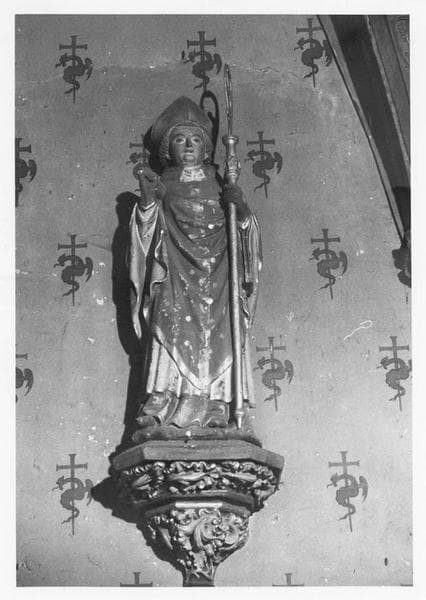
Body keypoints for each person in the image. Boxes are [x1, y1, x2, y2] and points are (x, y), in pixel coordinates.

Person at [128, 96, 261, 436]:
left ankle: (218, 406)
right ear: (167, 149)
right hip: (174, 277)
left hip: (220, 280)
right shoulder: (162, 187)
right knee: (167, 320)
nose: (188, 145)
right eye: (179, 139)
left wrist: (242, 212)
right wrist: (147, 203)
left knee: (224, 333)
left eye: (196, 139)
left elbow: (246, 237)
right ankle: (164, 403)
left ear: (205, 149)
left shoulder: (223, 187)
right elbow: (144, 236)